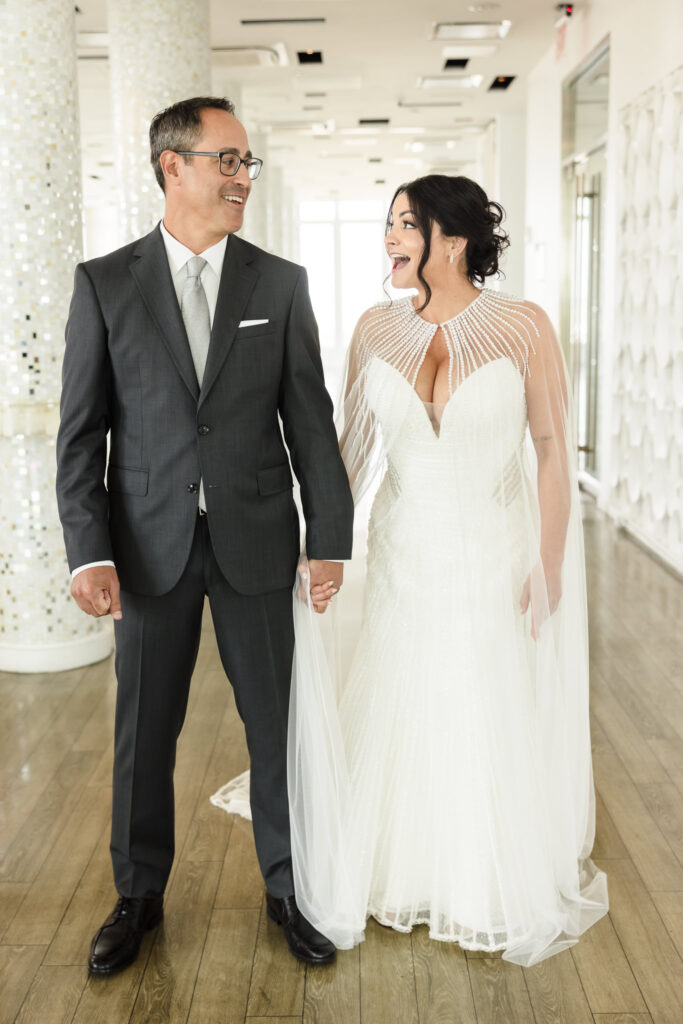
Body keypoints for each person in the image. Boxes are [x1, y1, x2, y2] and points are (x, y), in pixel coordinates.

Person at [214, 174, 609, 966]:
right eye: (388, 225)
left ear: (451, 241)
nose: (389, 239)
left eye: (403, 224)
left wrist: (549, 561)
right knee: (401, 691)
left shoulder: (523, 327)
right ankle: (391, 860)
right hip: (402, 550)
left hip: (492, 550)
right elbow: (349, 451)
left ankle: (476, 877)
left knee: (477, 701)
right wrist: (320, 545)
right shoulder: (373, 330)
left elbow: (549, 453)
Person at [56, 95, 353, 976]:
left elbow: (310, 420)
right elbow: (81, 434)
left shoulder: (280, 281)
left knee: (276, 728)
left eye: (247, 162)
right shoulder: (104, 283)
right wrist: (89, 550)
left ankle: (291, 890)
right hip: (145, 552)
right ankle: (137, 896)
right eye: (226, 160)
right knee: (145, 733)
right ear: (171, 166)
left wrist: (327, 537)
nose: (241, 178)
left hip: (259, 538)